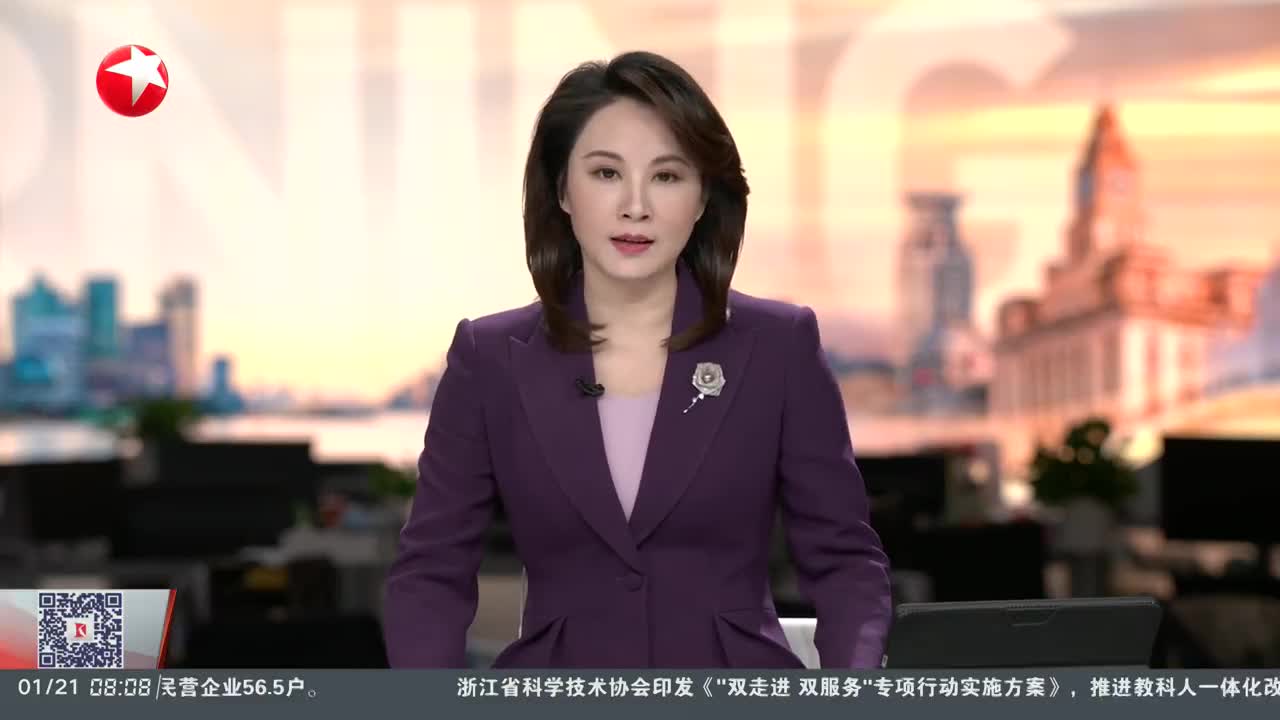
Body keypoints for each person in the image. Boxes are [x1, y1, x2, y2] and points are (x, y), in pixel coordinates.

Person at [383, 50, 891, 669]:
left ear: (703, 198)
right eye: (605, 173)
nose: (635, 206)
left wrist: (851, 695)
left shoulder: (779, 346)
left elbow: (845, 564)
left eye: (667, 176)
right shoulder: (488, 359)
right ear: (561, 190)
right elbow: (431, 574)